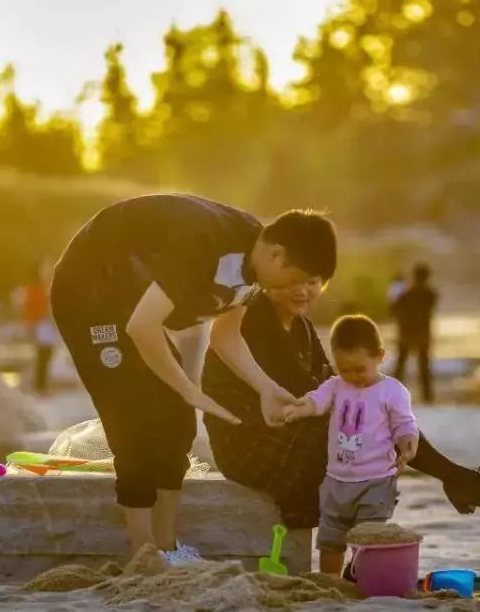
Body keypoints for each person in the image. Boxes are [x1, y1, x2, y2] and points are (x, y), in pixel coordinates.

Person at [50, 193, 336, 564]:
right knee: (133, 416)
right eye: (293, 280)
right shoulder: (205, 245)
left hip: (134, 303)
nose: (293, 291)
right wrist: (190, 389)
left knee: (177, 422)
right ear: (276, 255)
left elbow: (225, 335)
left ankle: (167, 546)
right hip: (89, 293)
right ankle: (143, 551)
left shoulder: (256, 265)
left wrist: (266, 388)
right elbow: (142, 327)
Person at [200, 280, 480, 536]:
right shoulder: (253, 317)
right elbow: (309, 398)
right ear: (273, 273)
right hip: (250, 444)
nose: (303, 290)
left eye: (312, 281)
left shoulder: (300, 326)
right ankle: (458, 480)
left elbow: (335, 388)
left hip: (289, 432)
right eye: (294, 280)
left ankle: (456, 480)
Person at [283, 315, 418, 574]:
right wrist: (299, 408)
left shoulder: (393, 390)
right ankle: (331, 582)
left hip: (377, 481)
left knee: (369, 537)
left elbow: (404, 424)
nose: (352, 376)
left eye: (359, 369)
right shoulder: (335, 385)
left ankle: (361, 577)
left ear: (379, 356)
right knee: (330, 539)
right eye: (343, 369)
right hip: (336, 481)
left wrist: (408, 445)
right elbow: (316, 400)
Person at [392, 262, 437, 403]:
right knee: (423, 368)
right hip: (422, 336)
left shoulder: (405, 295)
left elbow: (394, 310)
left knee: (401, 367)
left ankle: (393, 394)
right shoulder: (430, 295)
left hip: (406, 335)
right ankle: (427, 397)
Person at [21, 259, 56, 394]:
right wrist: (31, 325)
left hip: (45, 324)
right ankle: (40, 386)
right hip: (41, 324)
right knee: (43, 354)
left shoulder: (43, 286)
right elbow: (31, 309)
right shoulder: (34, 288)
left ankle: (42, 385)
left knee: (45, 354)